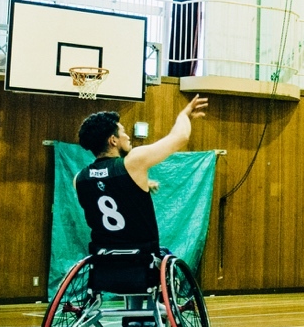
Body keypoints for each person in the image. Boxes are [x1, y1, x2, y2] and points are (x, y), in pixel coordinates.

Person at [75, 95, 209, 254]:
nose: (127, 136)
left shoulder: (79, 179)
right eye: (123, 131)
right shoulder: (133, 162)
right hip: (141, 259)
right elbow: (180, 137)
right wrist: (184, 115)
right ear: (113, 140)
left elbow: (105, 191)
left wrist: (138, 185)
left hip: (103, 261)